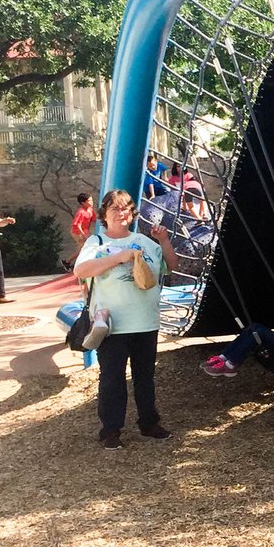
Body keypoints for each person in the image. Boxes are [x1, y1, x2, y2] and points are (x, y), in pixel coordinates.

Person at [73, 189, 176, 450]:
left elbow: (170, 265)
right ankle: (110, 430)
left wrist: (164, 241)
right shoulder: (96, 242)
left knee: (145, 376)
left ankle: (149, 423)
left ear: (132, 213)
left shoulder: (145, 241)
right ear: (104, 215)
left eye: (126, 209)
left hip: (145, 322)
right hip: (112, 325)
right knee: (112, 378)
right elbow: (81, 270)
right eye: (115, 209)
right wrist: (118, 257)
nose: (121, 214)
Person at [67, 192, 96, 271]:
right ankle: (78, 265)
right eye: (89, 201)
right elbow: (77, 225)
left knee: (82, 248)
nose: (92, 202)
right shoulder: (81, 212)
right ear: (83, 203)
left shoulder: (90, 210)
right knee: (84, 248)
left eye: (92, 200)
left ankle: (67, 262)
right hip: (77, 232)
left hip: (85, 232)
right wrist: (83, 235)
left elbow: (94, 219)